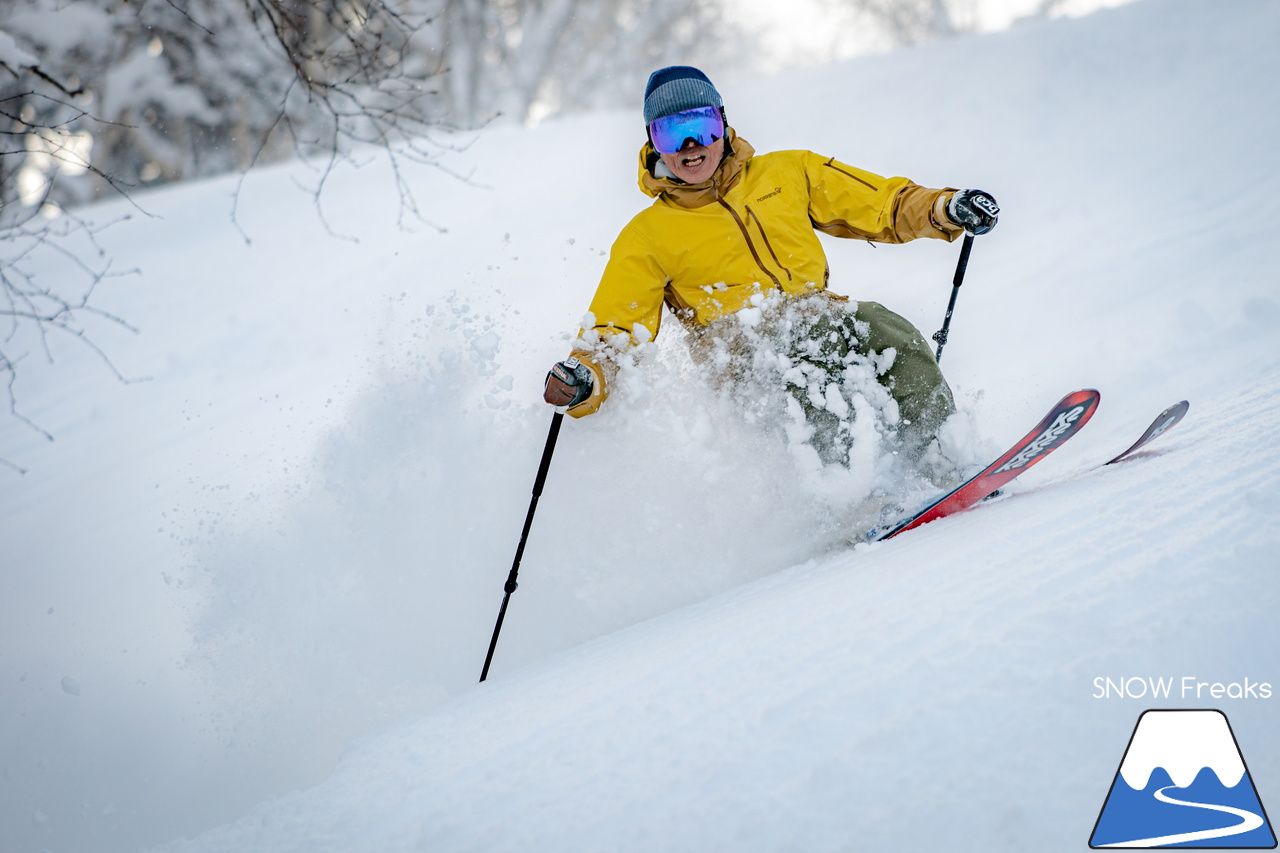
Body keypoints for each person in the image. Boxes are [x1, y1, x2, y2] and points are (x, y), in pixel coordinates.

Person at [544, 65, 998, 470]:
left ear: (722, 122)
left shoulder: (788, 173)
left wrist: (945, 207)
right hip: (739, 354)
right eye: (669, 135)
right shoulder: (647, 235)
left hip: (818, 314)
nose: (689, 147)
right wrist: (586, 376)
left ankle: (941, 458)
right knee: (797, 364)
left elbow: (881, 204)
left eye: (700, 127)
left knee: (887, 331)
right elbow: (615, 329)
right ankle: (845, 494)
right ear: (652, 143)